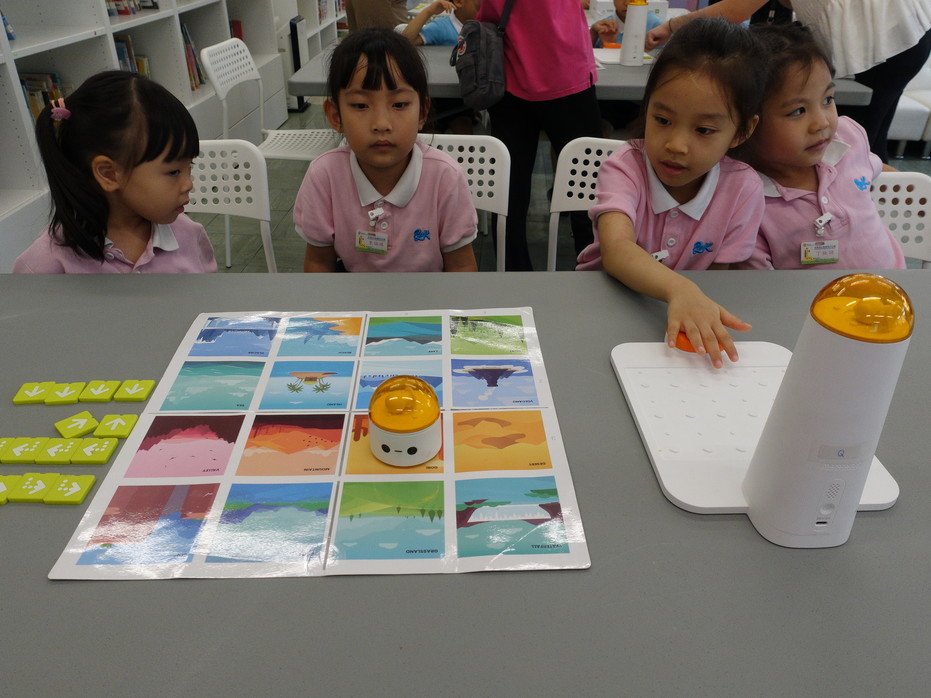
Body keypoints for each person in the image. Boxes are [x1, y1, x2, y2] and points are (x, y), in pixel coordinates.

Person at [576, 19, 766, 368]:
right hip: (602, 306)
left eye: (703, 129)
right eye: (662, 120)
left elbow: (718, 282)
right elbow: (616, 251)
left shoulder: (743, 188)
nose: (676, 145)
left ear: (742, 131)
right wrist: (680, 289)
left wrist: (689, 298)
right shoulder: (625, 167)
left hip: (673, 328)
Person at [646, 0, 931, 163]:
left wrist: (671, 26)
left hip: (887, 40)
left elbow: (735, 10)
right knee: (870, 141)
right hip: (905, 34)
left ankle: (859, 213)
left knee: (852, 152)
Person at [293, 28, 478, 272]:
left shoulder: (445, 178)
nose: (381, 124)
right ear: (336, 116)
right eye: (360, 105)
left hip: (428, 294)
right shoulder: (324, 176)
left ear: (422, 113)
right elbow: (318, 263)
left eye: (399, 104)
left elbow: (462, 269)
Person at [736, 23, 905, 270]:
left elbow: (874, 167)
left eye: (827, 99)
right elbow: (759, 285)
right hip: (814, 297)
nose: (822, 123)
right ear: (748, 125)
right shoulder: (746, 201)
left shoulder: (847, 139)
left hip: (893, 288)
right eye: (798, 111)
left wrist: (917, 197)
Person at [13, 71, 215, 274]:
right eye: (174, 172)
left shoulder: (190, 235)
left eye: (190, 166)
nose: (189, 184)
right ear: (108, 174)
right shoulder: (47, 262)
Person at [477, 0, 603, 271]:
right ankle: (593, 272)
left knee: (509, 194)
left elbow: (486, 15)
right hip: (568, 74)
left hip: (511, 76)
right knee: (586, 189)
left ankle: (513, 277)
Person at [399, 0, 479, 46]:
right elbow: (405, 43)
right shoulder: (442, 27)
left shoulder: (483, 24)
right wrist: (429, 11)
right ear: (458, 2)